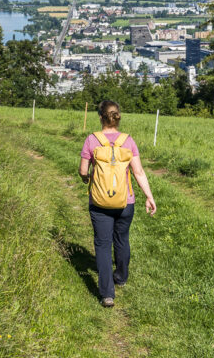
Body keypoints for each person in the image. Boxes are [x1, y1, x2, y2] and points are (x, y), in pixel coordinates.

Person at [79, 99, 156, 308]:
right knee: (122, 238)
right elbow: (138, 172)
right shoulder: (128, 141)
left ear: (100, 117)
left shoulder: (91, 140)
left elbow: (83, 170)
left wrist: (87, 179)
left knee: (103, 244)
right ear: (117, 117)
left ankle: (107, 294)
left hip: (99, 202)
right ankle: (121, 277)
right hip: (126, 202)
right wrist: (149, 196)